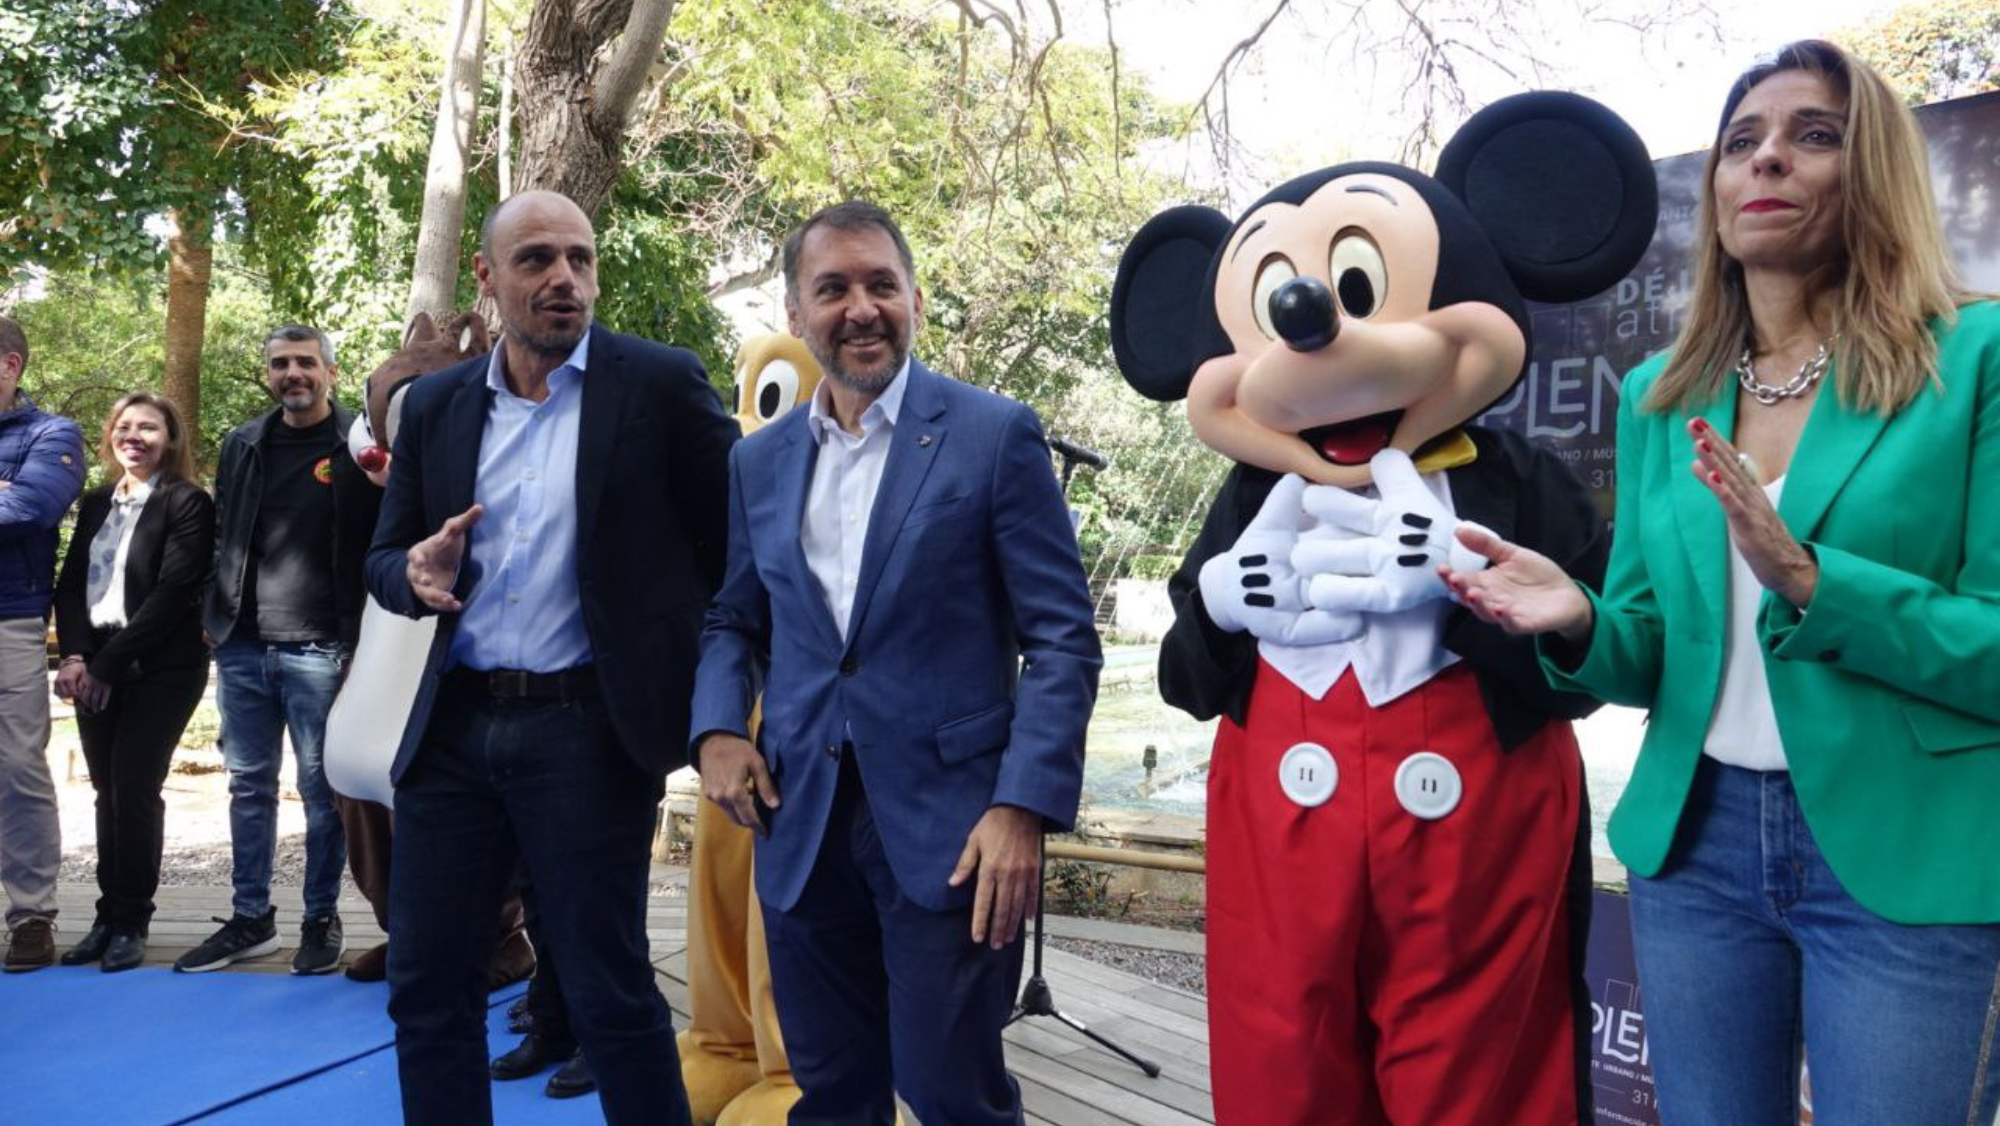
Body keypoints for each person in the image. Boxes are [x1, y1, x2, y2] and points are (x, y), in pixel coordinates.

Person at [1445, 41, 2000, 1125]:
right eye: (1740, 142)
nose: (1766, 163)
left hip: (1905, 860)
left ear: (1871, 171)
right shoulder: (1663, 392)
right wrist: (1575, 616)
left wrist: (1808, 579)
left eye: (1812, 136)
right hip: (1695, 853)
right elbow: (1654, 646)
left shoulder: (1973, 355)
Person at [691, 199, 1101, 1126]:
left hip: (951, 832)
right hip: (798, 821)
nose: (861, 307)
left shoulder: (994, 434)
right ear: (796, 316)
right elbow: (733, 619)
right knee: (831, 1091)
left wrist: (1021, 807)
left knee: (951, 1092)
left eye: (881, 284)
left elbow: (1064, 639)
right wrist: (717, 728)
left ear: (915, 297)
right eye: (832, 288)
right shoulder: (758, 464)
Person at [365, 188, 735, 1126]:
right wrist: (411, 571)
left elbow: (739, 551)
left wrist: (716, 698)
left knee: (610, 993)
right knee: (427, 989)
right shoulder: (440, 405)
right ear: (487, 279)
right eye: (536, 260)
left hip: (589, 731)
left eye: (580, 257)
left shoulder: (659, 384)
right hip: (453, 731)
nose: (564, 278)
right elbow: (381, 558)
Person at [181, 324, 379, 975]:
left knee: (322, 792)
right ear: (268, 373)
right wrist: (216, 609)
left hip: (321, 648)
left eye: (304, 362)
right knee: (248, 788)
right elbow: (223, 536)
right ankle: (249, 919)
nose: (292, 373)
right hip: (242, 647)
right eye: (280, 364)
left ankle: (320, 918)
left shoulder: (359, 446)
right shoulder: (244, 442)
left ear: (331, 371)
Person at [53, 393, 215, 972]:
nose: (135, 436)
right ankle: (105, 916)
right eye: (125, 426)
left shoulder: (187, 502)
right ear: (110, 437)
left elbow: (172, 596)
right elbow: (70, 586)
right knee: (105, 794)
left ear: (170, 439)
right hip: (95, 664)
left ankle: (132, 920)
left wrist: (103, 667)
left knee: (134, 789)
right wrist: (75, 657)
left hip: (160, 671)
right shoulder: (97, 502)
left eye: (149, 427)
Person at [0, 314, 86, 973]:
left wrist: (12, 493)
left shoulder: (51, 434)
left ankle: (31, 916)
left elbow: (29, 511)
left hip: (11, 620)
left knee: (17, 768)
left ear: (10, 366)